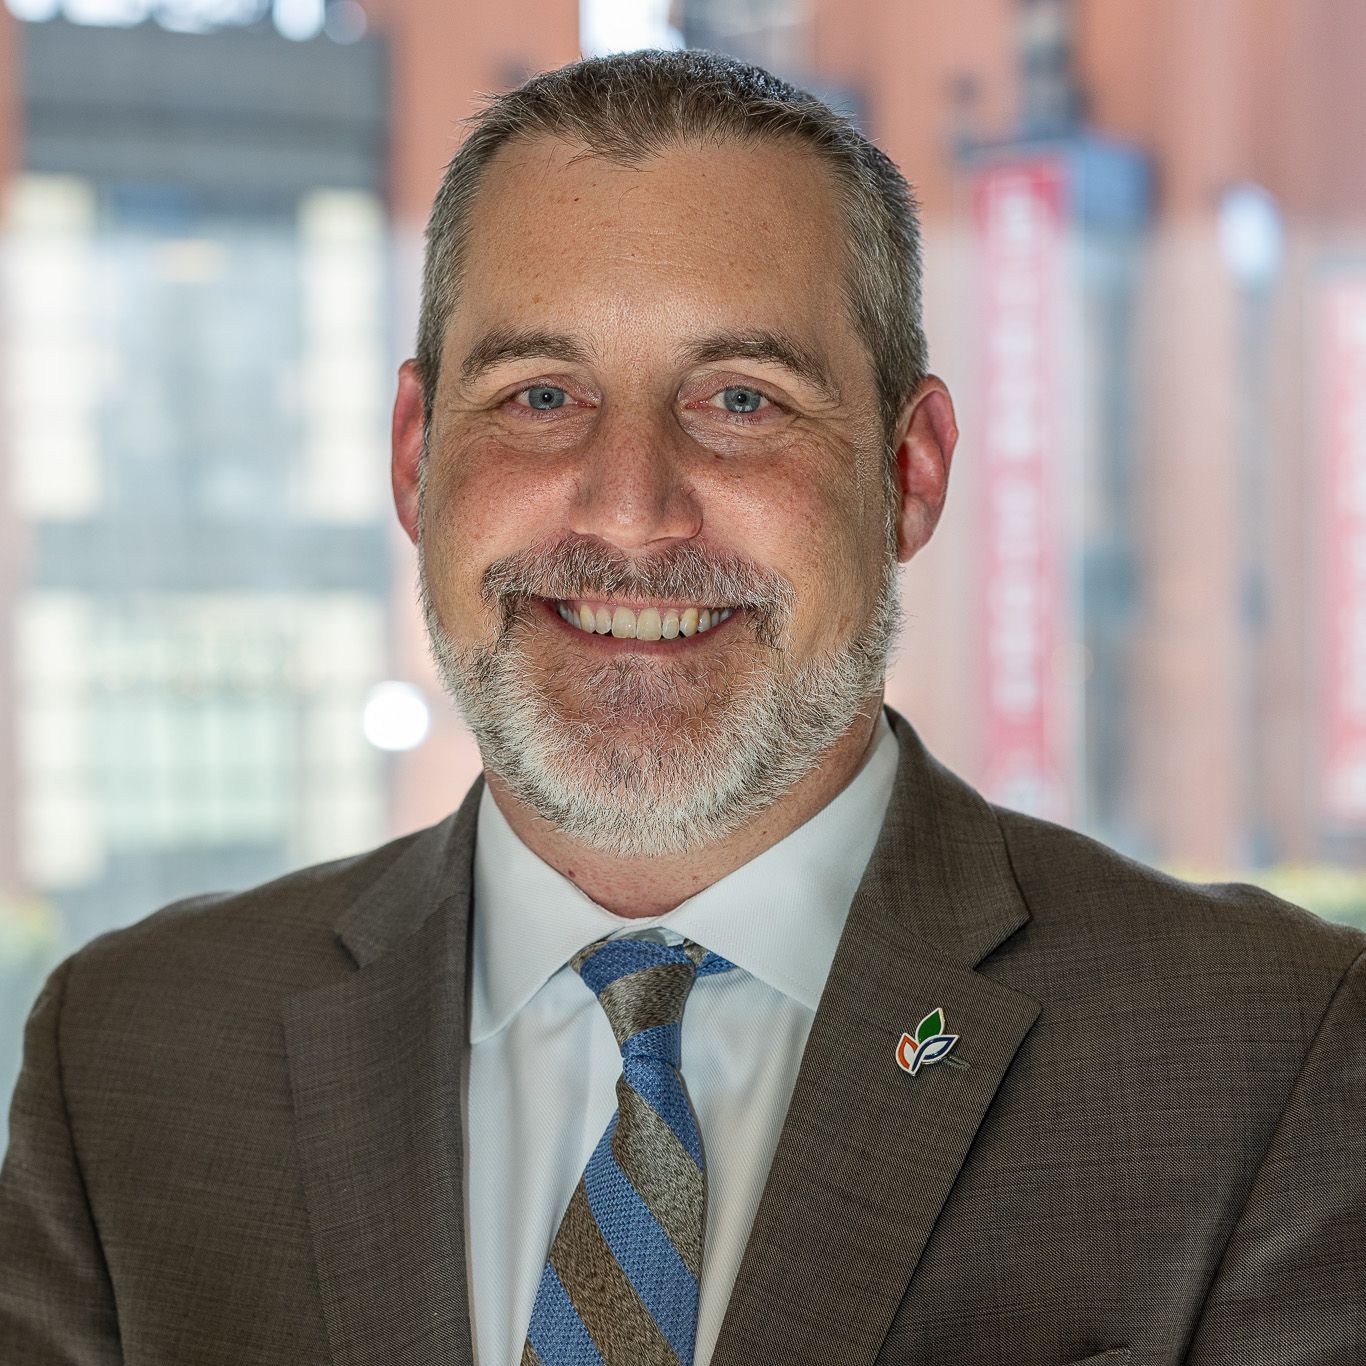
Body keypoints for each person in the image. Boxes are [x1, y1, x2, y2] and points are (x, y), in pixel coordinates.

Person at [1, 48, 1363, 1366]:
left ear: (907, 470)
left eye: (739, 399)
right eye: (541, 395)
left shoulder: (1266, 1059)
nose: (631, 508)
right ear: (417, 459)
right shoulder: (130, 1057)